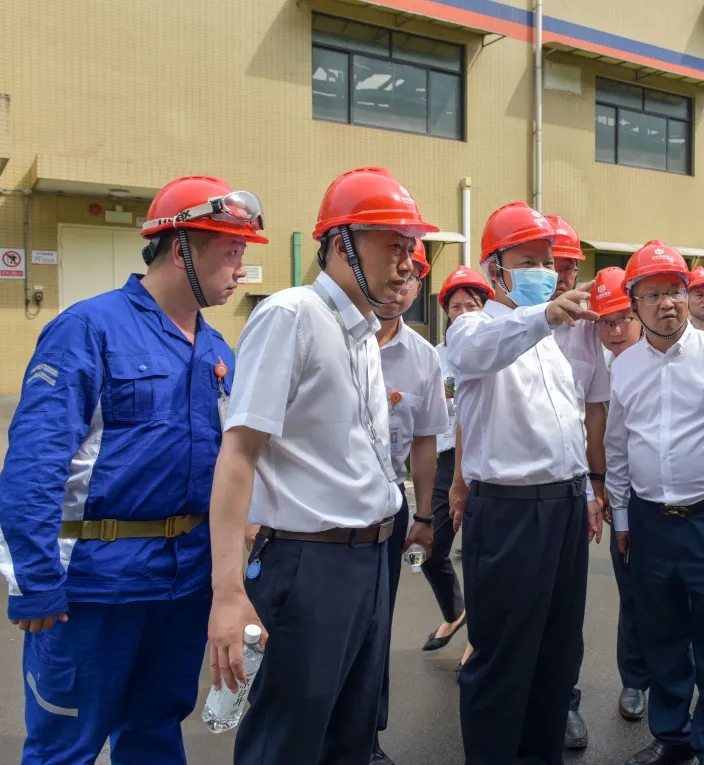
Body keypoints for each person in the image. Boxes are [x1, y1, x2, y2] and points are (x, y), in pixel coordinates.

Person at [0, 175, 266, 764]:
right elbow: (35, 463)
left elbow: (236, 466)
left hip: (181, 586)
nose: (241, 269)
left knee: (155, 733)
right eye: (231, 251)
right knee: (65, 747)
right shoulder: (88, 329)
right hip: (93, 588)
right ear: (181, 247)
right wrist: (34, 581)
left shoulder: (217, 350)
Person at [205, 167, 437, 765]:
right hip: (309, 564)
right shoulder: (292, 315)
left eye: (411, 248)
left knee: (351, 733)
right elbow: (239, 454)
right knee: (289, 739)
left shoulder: (361, 333)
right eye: (393, 245)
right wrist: (227, 591)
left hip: (370, 559)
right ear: (340, 244)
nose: (407, 263)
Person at [446, 201, 602, 765]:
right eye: (528, 261)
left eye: (548, 261)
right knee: (503, 659)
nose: (545, 272)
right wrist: (544, 317)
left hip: (564, 509)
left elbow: (569, 429)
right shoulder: (474, 327)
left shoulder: (554, 346)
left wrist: (586, 493)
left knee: (557, 655)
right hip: (510, 514)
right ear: (495, 270)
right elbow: (476, 351)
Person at [606, 240, 704, 765]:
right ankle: (671, 737)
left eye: (674, 290)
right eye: (652, 294)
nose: (666, 303)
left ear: (687, 294)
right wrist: (622, 516)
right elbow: (617, 447)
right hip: (650, 520)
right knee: (662, 634)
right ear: (634, 304)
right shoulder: (624, 366)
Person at [371, 239, 447, 765]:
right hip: (316, 517)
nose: (400, 285)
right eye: (394, 271)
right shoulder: (327, 336)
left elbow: (424, 442)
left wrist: (423, 516)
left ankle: (366, 737)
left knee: (376, 628)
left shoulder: (422, 357)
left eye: (411, 276)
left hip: (387, 508)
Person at [545, 214, 611, 751]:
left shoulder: (589, 330)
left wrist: (595, 485)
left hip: (571, 487)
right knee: (513, 605)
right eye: (549, 265)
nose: (561, 276)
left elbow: (595, 415)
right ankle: (519, 701)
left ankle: (563, 702)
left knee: (566, 609)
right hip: (512, 492)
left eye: (568, 267)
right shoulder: (501, 325)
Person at [588, 266, 649, 724]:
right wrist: (602, 485)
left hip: (662, 494)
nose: (614, 330)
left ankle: (677, 677)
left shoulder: (662, 356)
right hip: (616, 493)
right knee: (632, 590)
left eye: (623, 318)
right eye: (605, 322)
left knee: (678, 596)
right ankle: (635, 678)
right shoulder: (595, 366)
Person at [421, 265, 492, 654]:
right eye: (456, 307)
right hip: (447, 459)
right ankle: (455, 611)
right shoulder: (436, 356)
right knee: (431, 549)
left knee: (482, 557)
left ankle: (478, 641)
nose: (463, 313)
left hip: (485, 459)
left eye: (472, 305)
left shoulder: (498, 348)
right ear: (446, 312)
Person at [595, 266, 643, 364]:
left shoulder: (663, 364)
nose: (615, 332)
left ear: (640, 315)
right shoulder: (601, 365)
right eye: (604, 322)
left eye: (623, 319)